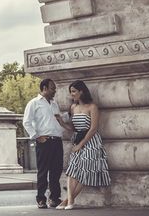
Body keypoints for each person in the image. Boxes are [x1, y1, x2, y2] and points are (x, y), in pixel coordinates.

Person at [54, 80, 111, 210]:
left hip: (91, 141)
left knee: (86, 172)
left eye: (74, 91)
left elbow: (93, 128)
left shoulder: (92, 107)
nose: (72, 94)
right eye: (70, 92)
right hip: (77, 138)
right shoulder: (73, 107)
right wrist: (61, 123)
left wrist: (81, 145)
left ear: (82, 91)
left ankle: (68, 201)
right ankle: (69, 201)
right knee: (72, 171)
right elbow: (74, 128)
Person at [23, 78, 64, 209]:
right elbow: (26, 122)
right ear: (44, 88)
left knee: (56, 171)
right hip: (44, 142)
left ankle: (54, 198)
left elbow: (58, 120)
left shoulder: (54, 104)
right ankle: (41, 199)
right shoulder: (33, 103)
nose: (55, 91)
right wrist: (36, 137)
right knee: (43, 172)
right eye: (53, 88)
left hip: (57, 141)